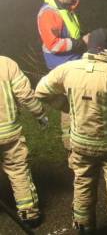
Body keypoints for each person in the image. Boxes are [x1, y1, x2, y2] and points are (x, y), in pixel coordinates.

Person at [35, 28, 107, 235]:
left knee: (82, 182)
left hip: (81, 144)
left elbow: (41, 90)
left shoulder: (68, 69)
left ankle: (83, 227)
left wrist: (65, 105)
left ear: (89, 45)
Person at [37, 0, 89, 149]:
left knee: (78, 106)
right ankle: (71, 148)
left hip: (73, 64)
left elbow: (72, 33)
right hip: (63, 68)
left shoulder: (64, 9)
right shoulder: (48, 13)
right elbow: (53, 44)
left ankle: (80, 142)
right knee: (71, 109)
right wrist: (81, 43)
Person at [0, 55, 49, 229]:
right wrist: (40, 114)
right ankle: (29, 214)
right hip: (8, 132)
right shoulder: (6, 63)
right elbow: (25, 94)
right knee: (18, 169)